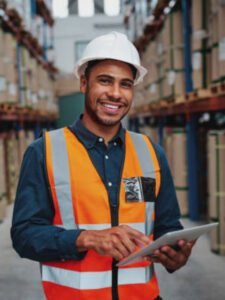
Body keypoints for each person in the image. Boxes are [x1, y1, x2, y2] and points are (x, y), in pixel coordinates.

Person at [11, 32, 195, 300]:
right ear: (84, 82)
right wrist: (85, 238)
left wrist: (175, 254)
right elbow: (25, 236)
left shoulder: (151, 154)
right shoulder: (44, 152)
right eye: (105, 81)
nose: (116, 94)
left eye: (126, 84)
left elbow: (168, 226)